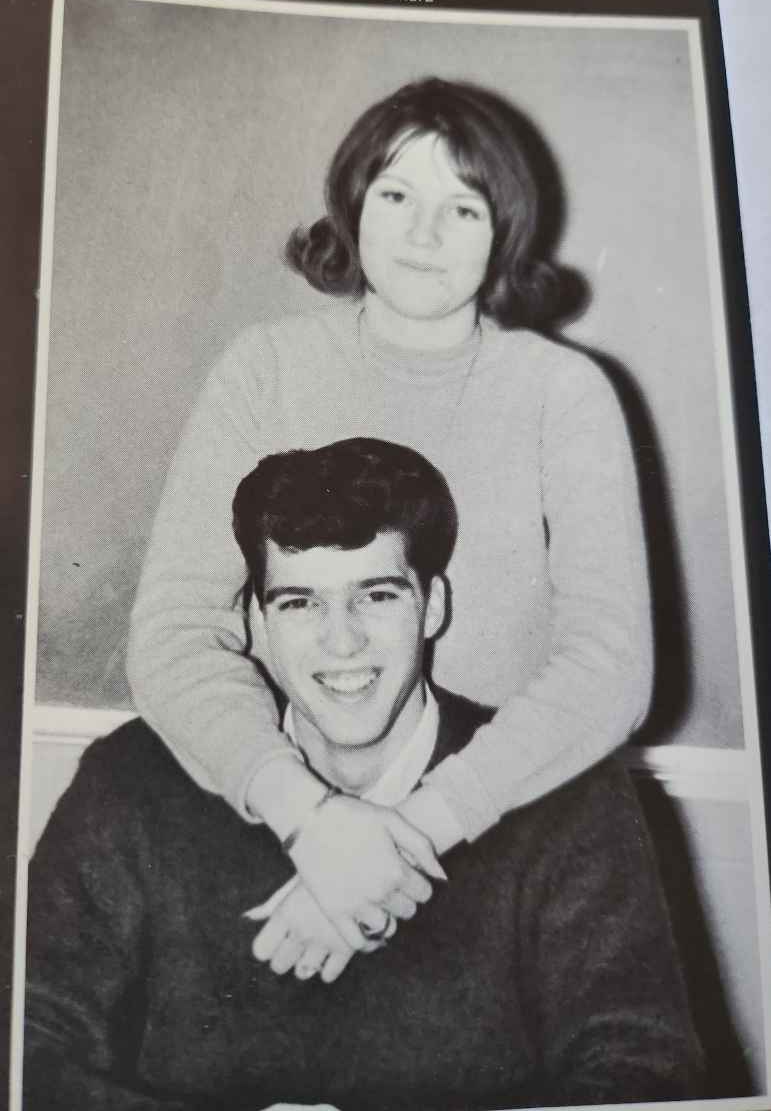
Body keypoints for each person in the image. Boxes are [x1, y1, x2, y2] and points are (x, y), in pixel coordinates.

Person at [126, 76, 652, 969]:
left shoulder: (562, 392)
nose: (421, 234)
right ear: (352, 204)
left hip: (496, 826)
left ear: (503, 234)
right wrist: (312, 819)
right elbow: (173, 633)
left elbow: (609, 663)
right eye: (397, 195)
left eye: (462, 208)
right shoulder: (264, 369)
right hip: (283, 825)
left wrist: (402, 836)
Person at [26, 440, 700, 1111]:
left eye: (375, 596)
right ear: (255, 621)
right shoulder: (135, 778)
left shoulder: (567, 795)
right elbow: (24, 1045)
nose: (340, 641)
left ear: (432, 605)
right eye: (298, 603)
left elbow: (644, 1074)